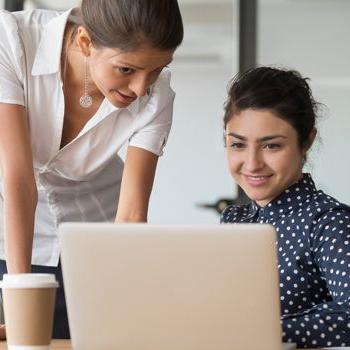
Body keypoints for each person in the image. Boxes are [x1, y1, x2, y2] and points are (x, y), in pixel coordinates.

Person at [0, 0, 183, 339]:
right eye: (127, 70)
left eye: (156, 70)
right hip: (10, 238)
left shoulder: (157, 98)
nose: (141, 88)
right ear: (85, 42)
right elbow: (17, 182)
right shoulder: (11, 41)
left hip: (91, 245)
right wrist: (21, 298)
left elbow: (130, 216)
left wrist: (120, 309)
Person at [220, 66, 350, 348]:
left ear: (306, 141)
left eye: (271, 146)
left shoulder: (328, 222)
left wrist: (262, 331)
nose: (252, 163)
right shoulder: (234, 219)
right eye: (238, 145)